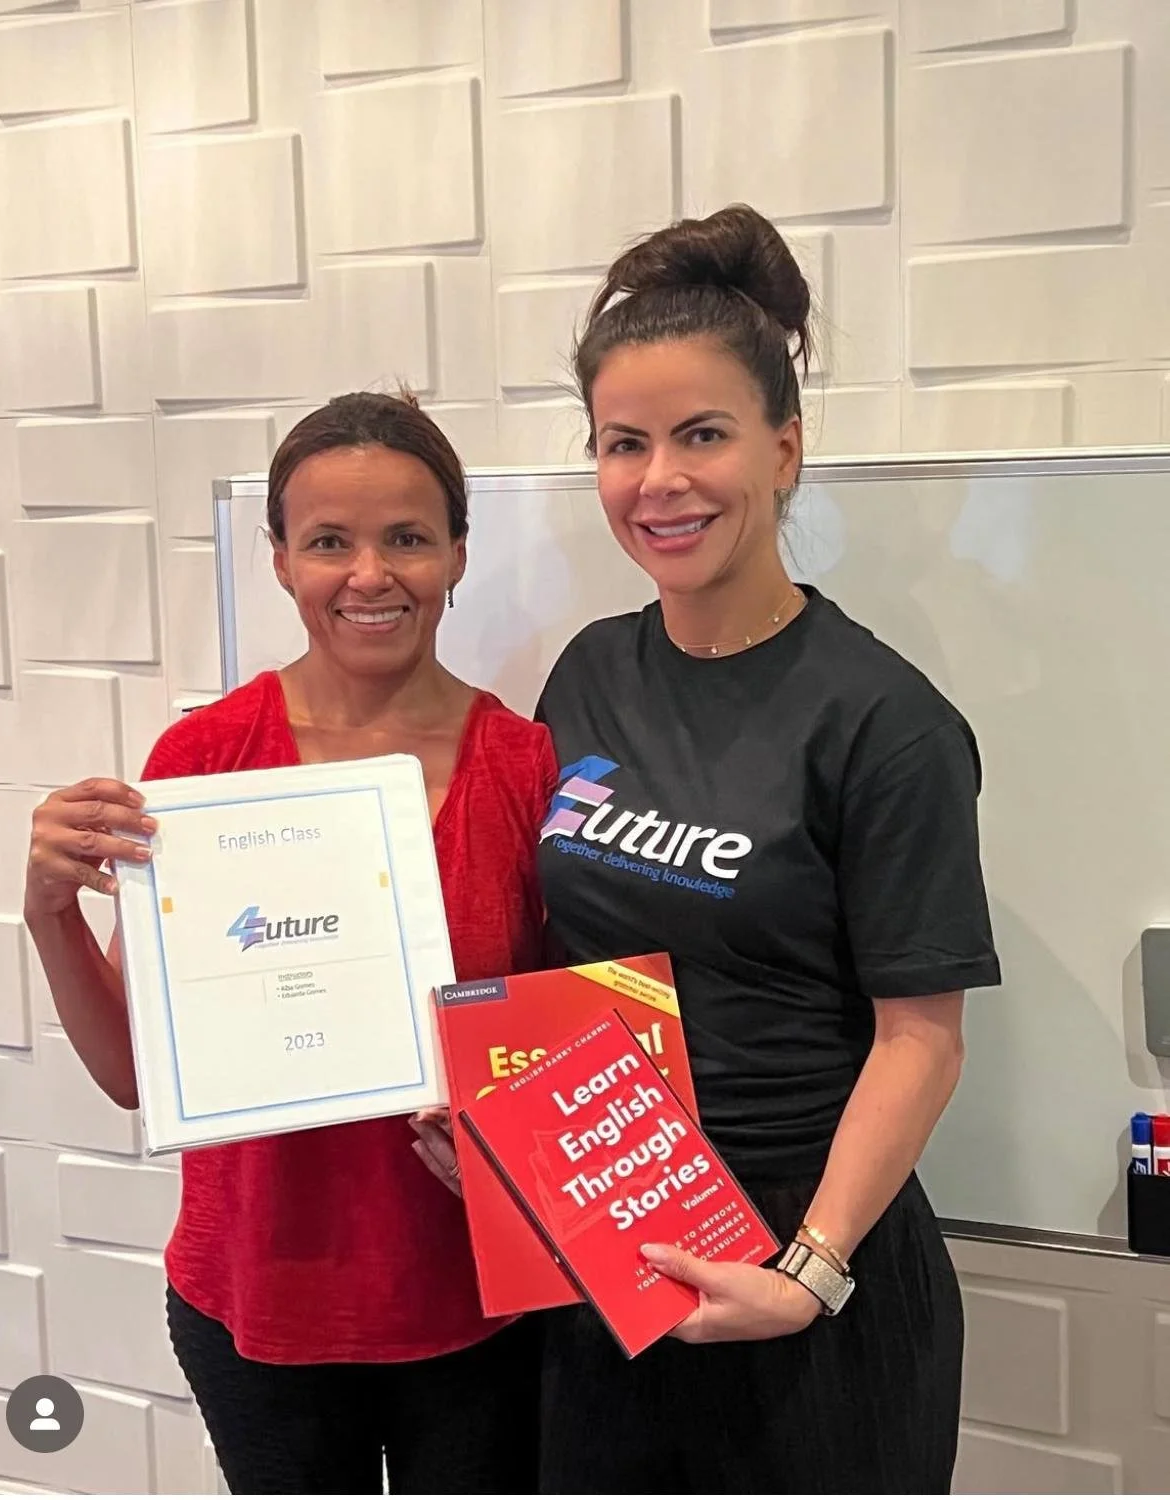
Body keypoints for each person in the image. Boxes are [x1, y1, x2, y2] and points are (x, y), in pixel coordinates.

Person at [533, 205, 1003, 1493]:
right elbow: (560, 951)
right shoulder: (587, 674)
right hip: (613, 1245)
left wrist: (810, 1269)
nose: (659, 480)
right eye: (624, 444)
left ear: (785, 449)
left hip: (811, 1284)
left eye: (703, 436)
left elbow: (923, 1036)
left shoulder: (885, 720)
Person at [22, 392, 556, 1495]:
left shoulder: (524, 765)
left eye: (408, 537)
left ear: (459, 551)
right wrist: (48, 913)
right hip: (254, 1305)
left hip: (474, 1306)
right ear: (278, 559)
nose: (370, 574)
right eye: (328, 542)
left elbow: (551, 1057)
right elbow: (134, 1074)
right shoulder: (204, 759)